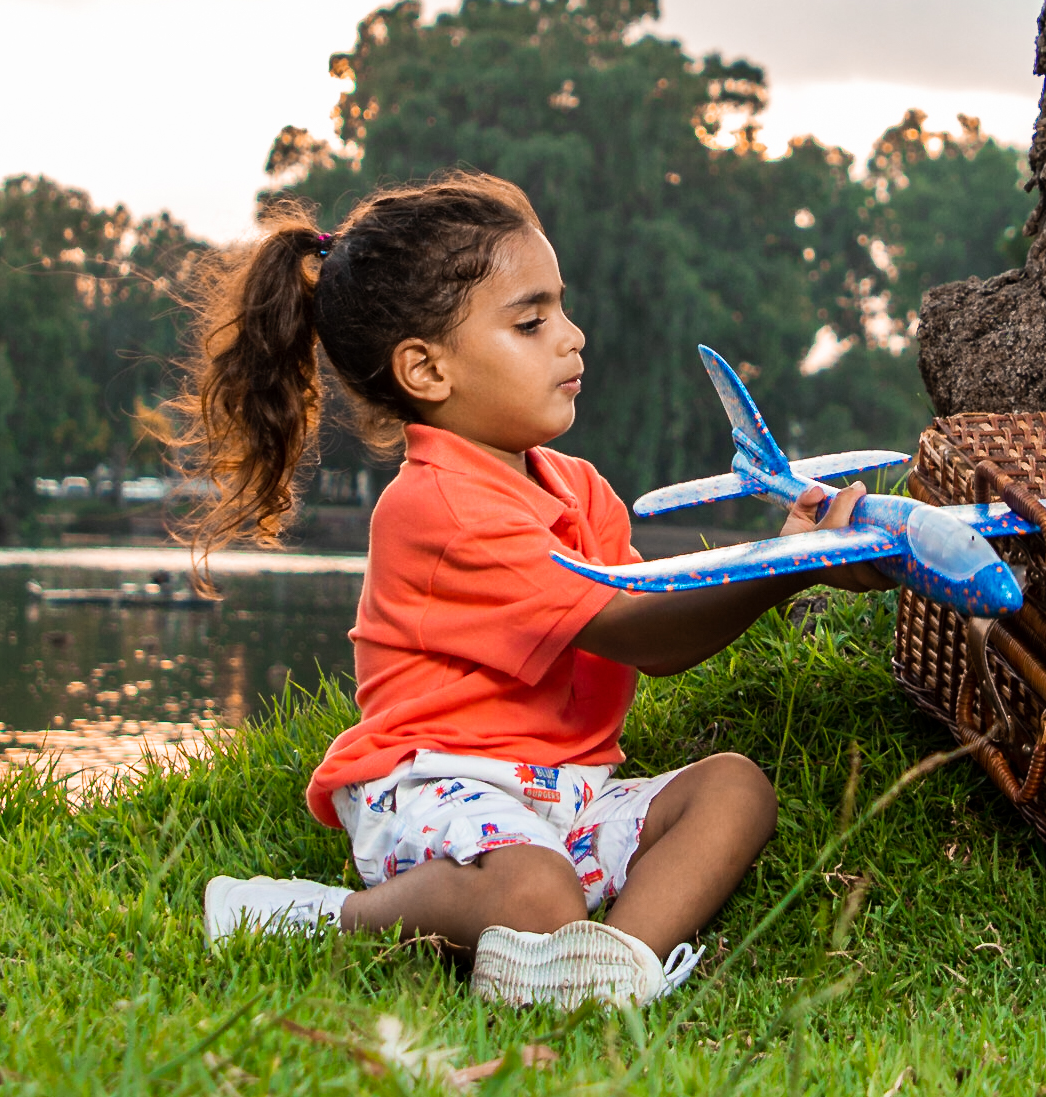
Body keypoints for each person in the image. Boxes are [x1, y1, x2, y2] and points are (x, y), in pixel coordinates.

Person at [181, 172, 891, 1009]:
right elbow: (643, 632)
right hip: (440, 786)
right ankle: (323, 917)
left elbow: (659, 620)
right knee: (534, 896)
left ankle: (611, 969)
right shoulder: (437, 506)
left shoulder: (580, 488)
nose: (573, 337)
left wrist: (808, 555)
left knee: (733, 789)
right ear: (426, 369)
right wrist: (787, 567)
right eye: (531, 321)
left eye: (561, 309)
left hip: (568, 792)